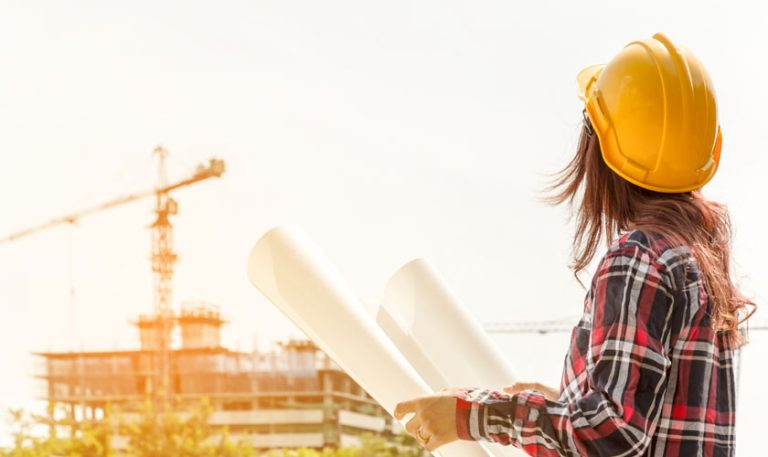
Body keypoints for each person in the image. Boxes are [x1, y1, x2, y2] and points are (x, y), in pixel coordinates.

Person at [393, 32, 755, 457]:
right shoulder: (699, 262)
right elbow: (659, 418)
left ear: (602, 148)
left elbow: (612, 432)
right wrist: (569, 401)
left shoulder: (639, 260)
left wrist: (470, 414)